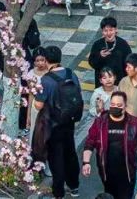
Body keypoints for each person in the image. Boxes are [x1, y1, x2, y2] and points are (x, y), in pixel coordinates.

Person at [82, 90, 137, 199]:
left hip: (127, 171)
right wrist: (86, 162)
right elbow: (90, 142)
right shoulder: (100, 122)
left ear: (125, 106)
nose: (115, 107)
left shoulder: (135, 123)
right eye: (112, 104)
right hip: (106, 172)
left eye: (119, 105)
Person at [35, 46, 81, 199]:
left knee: (56, 159)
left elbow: (39, 105)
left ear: (46, 60)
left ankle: (58, 192)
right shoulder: (70, 73)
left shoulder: (46, 80)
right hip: (69, 121)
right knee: (70, 153)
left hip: (53, 125)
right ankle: (74, 186)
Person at [89, 17, 134, 87]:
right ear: (102, 31)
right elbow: (92, 63)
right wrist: (100, 56)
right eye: (105, 30)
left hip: (119, 82)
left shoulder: (123, 44)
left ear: (116, 30)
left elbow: (129, 63)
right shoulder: (97, 44)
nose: (108, 33)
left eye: (111, 30)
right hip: (102, 83)